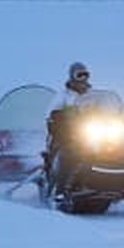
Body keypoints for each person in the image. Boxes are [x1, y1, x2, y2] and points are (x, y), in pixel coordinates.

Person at [45, 62, 93, 196]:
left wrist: (120, 115)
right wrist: (59, 116)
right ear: (72, 76)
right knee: (69, 154)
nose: (83, 78)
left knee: (123, 150)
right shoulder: (63, 96)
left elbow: (103, 108)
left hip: (91, 134)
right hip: (67, 136)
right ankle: (60, 191)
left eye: (85, 75)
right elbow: (51, 114)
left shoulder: (92, 95)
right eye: (79, 75)